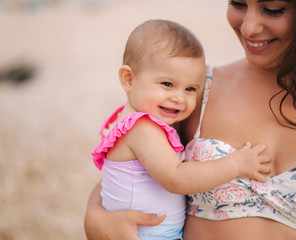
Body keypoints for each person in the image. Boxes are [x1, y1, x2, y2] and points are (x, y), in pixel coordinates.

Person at [84, 0, 296, 239]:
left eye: (272, 9)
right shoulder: (192, 88)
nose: (249, 27)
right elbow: (127, 167)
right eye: (238, 4)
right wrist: (95, 219)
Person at [90, 19, 271, 240]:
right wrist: (236, 164)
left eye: (190, 89)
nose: (179, 98)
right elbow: (175, 178)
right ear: (128, 79)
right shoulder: (142, 127)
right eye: (167, 84)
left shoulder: (137, 120)